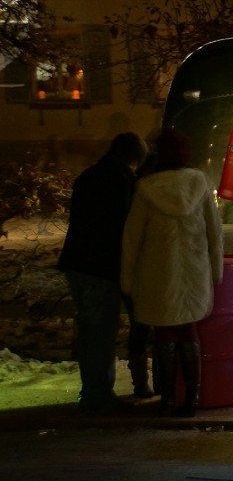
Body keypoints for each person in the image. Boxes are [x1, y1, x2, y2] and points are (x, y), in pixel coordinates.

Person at [121, 129, 223, 416]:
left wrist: (127, 279)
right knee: (189, 332)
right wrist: (215, 272)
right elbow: (214, 233)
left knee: (164, 334)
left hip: (158, 273)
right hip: (194, 272)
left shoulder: (146, 188)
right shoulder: (199, 183)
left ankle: (166, 398)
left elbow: (132, 239)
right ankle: (192, 396)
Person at [57, 132, 148, 412]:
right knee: (101, 332)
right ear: (133, 158)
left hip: (76, 263)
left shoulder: (88, 175)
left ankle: (91, 389)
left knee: (88, 330)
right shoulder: (122, 181)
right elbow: (125, 227)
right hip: (101, 267)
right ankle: (99, 396)